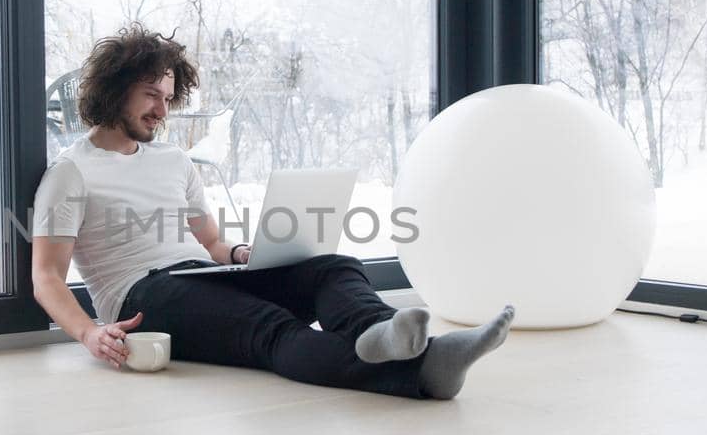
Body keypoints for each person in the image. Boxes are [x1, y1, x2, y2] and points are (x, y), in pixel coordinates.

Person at [30, 25, 514, 399]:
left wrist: (244, 254)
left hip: (200, 276)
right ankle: (424, 371)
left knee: (335, 268)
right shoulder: (73, 171)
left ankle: (378, 331)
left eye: (167, 96)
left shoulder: (173, 162)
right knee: (269, 329)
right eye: (150, 95)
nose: (162, 109)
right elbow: (47, 277)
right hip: (141, 298)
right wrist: (90, 333)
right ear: (114, 91)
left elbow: (214, 246)